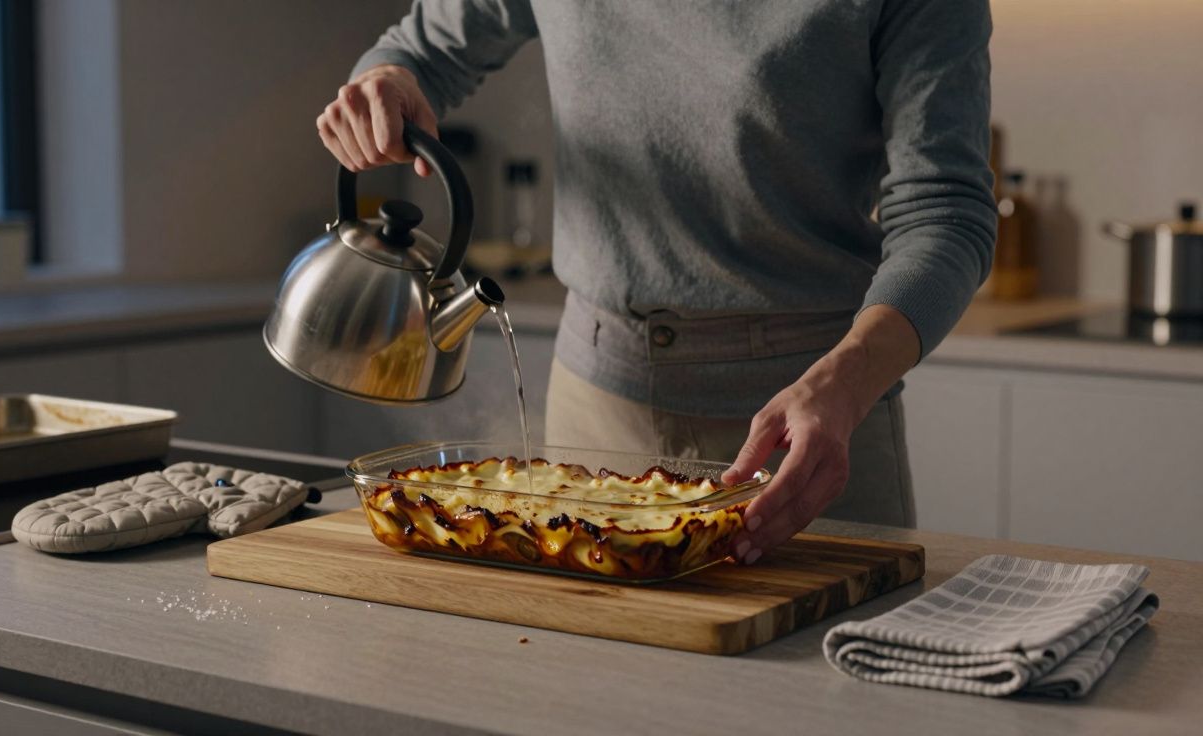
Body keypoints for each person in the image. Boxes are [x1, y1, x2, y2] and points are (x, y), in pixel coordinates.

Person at [316, 1, 996, 564]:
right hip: (596, 404)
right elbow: (422, 51)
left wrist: (846, 382)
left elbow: (948, 212)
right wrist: (387, 82)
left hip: (809, 423)